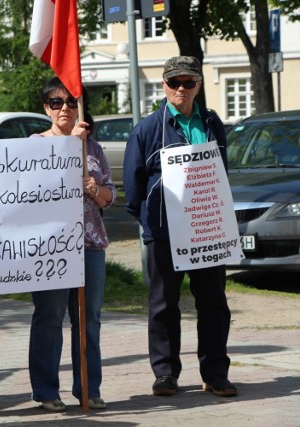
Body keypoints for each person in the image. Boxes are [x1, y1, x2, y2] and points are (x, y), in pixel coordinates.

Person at [123, 56, 237, 398]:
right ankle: (165, 374)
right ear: (164, 86)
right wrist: (152, 220)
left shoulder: (213, 124)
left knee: (214, 303)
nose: (181, 89)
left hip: (207, 230)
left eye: (189, 83)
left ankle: (216, 373)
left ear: (199, 85)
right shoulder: (146, 129)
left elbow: (220, 174)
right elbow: (133, 188)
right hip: (165, 232)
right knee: (163, 304)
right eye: (175, 83)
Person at [28, 77, 116, 412]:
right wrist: (70, 149)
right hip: (50, 247)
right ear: (46, 108)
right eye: (56, 102)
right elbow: (30, 191)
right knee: (49, 318)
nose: (64, 108)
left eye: (71, 102)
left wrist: (94, 188)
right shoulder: (35, 145)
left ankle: (88, 389)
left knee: (88, 319)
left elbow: (109, 196)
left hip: (90, 245)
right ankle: (47, 391)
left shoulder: (92, 147)